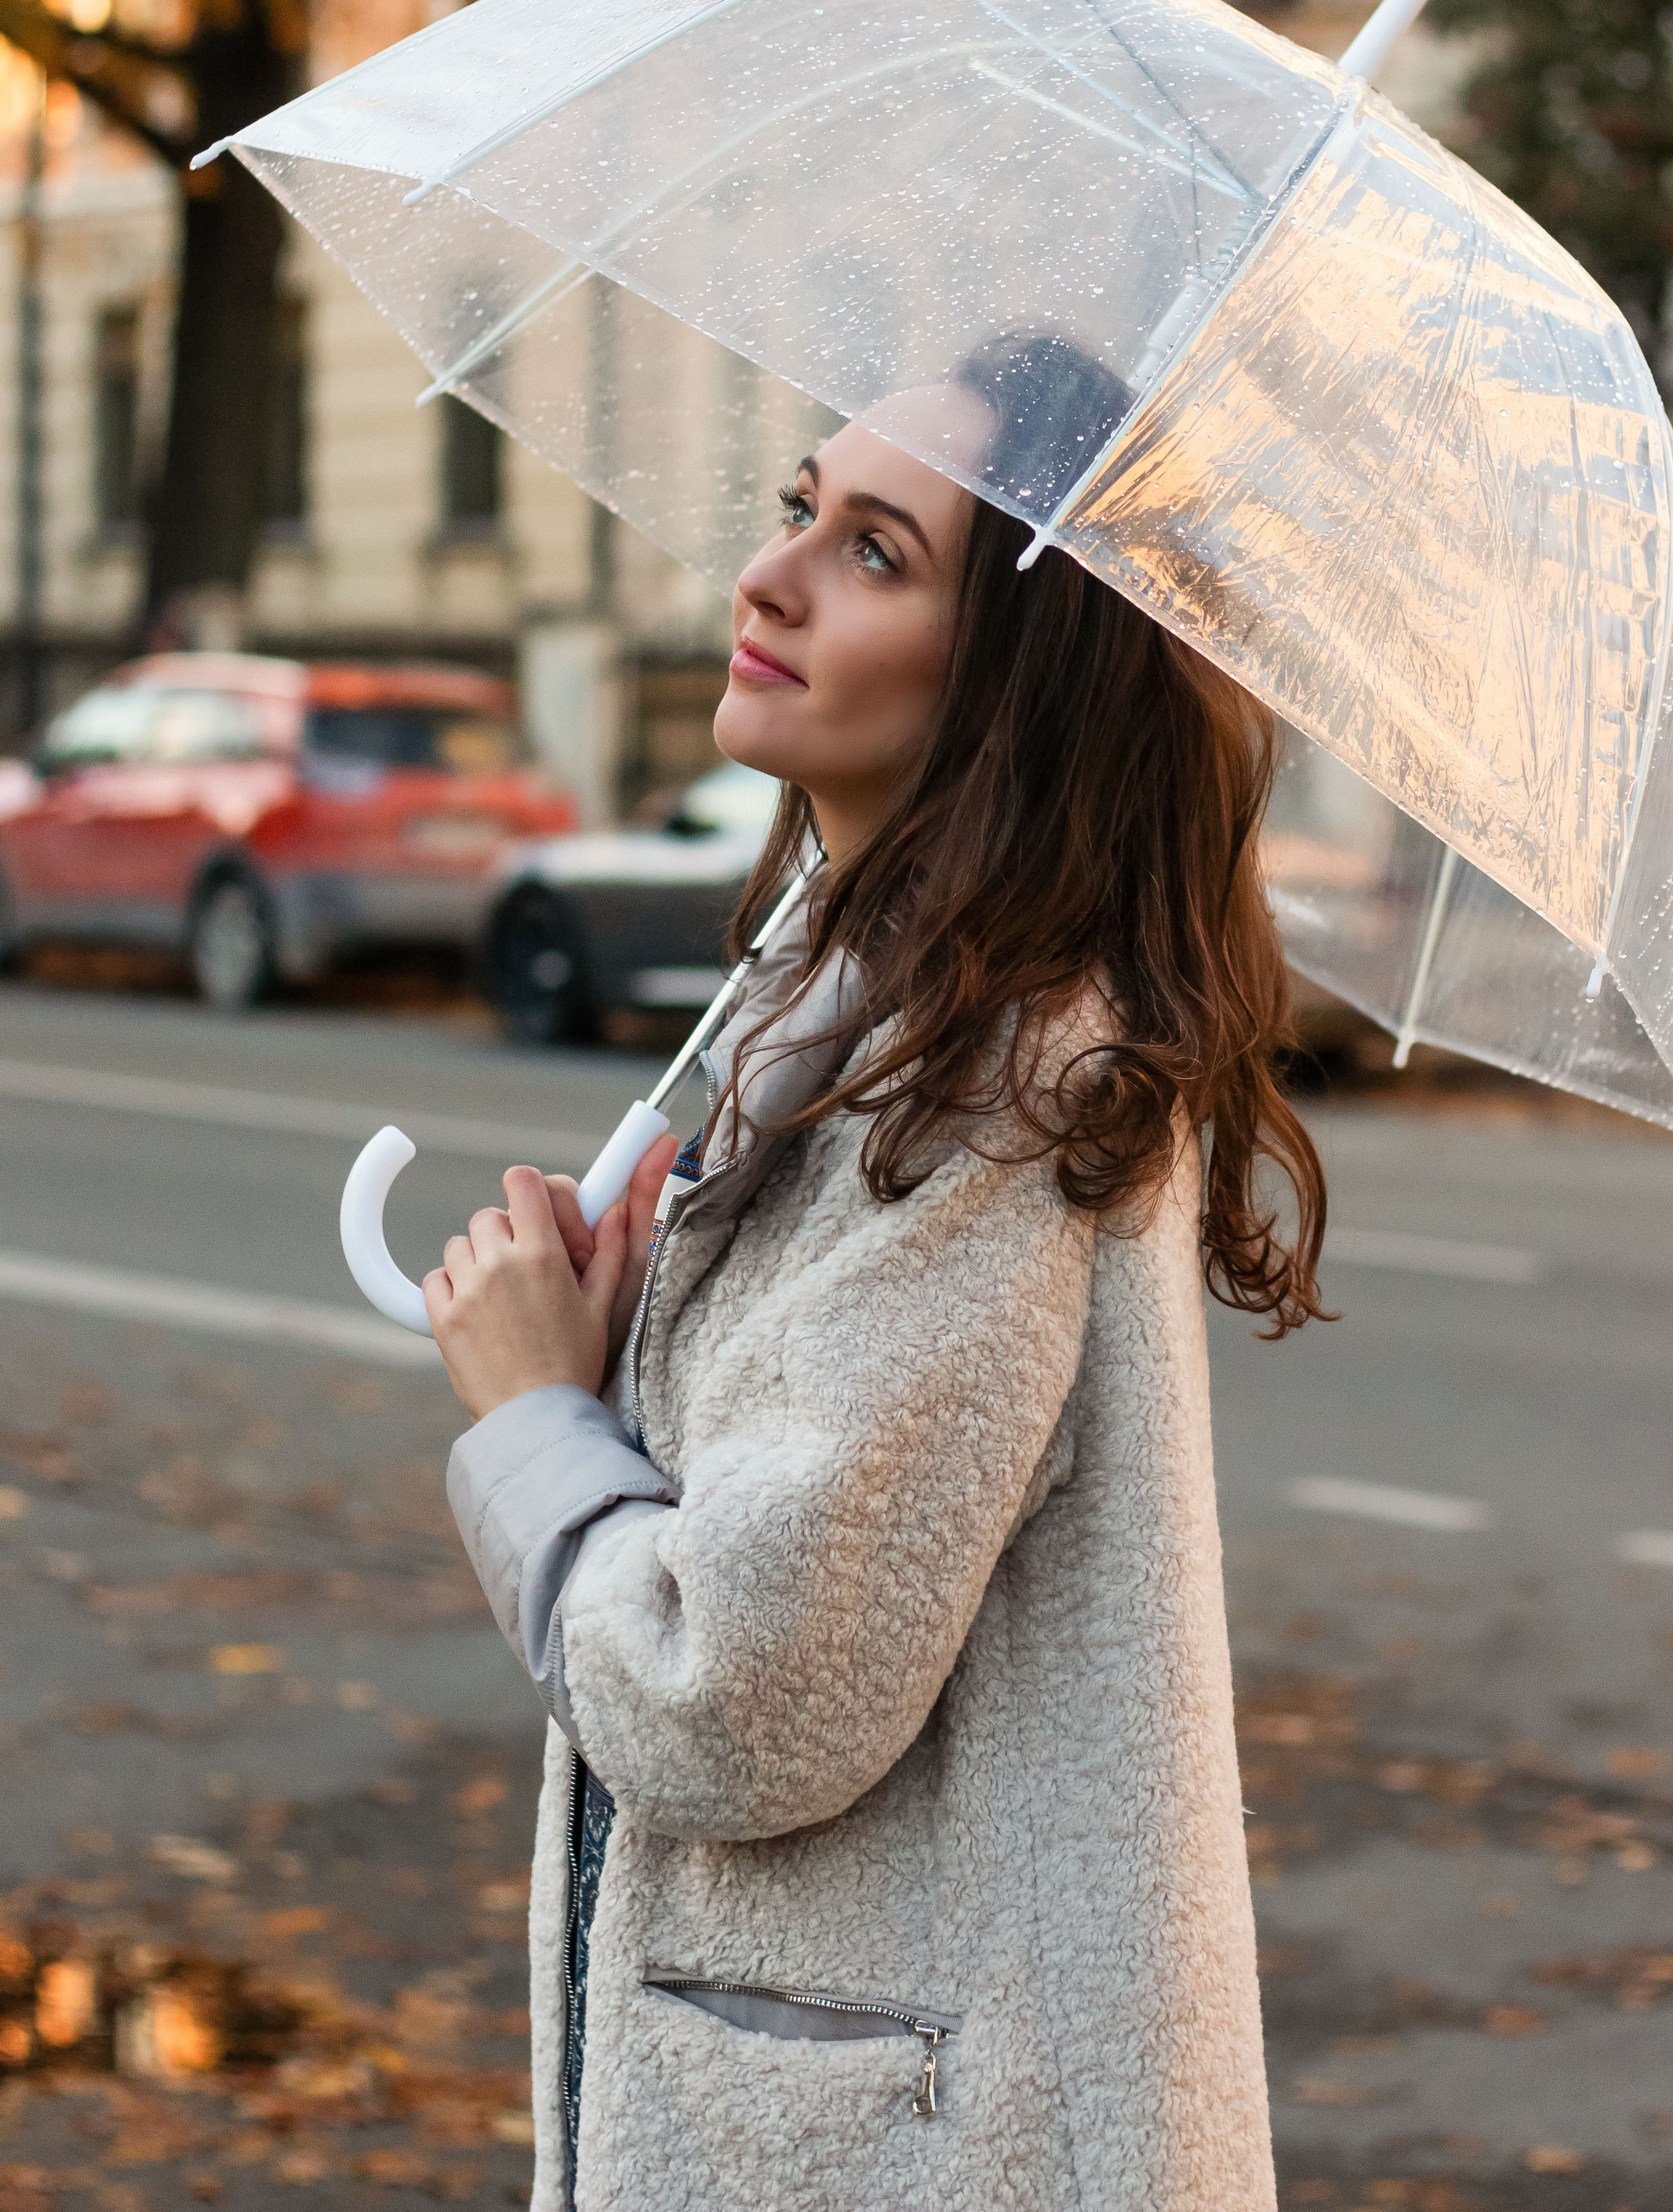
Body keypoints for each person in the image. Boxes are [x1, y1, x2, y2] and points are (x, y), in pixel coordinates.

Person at [425, 339, 1328, 2212]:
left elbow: (740, 1694)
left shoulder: (1004, 1092)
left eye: (878, 554)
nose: (772, 580)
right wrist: (609, 1379)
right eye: (797, 515)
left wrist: (530, 1430)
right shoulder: (842, 1013)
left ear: (1019, 682)